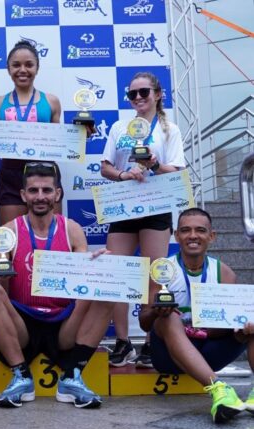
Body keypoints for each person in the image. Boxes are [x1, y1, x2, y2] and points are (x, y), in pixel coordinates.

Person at [0, 161, 113, 408]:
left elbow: (83, 277)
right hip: (22, 326)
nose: (40, 197)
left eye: (47, 190)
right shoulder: (9, 230)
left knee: (108, 288)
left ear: (57, 194)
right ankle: (21, 376)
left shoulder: (72, 229)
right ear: (23, 195)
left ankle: (72, 377)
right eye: (33, 190)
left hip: (63, 324)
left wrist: (98, 265)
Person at [100, 72, 185, 367]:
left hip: (156, 204)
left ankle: (150, 342)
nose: (138, 98)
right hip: (123, 205)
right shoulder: (119, 127)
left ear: (158, 94)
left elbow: (177, 170)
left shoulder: (169, 129)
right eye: (132, 94)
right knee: (118, 275)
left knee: (153, 276)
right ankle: (123, 342)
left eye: (144, 92)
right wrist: (124, 174)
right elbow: (105, 168)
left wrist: (154, 164)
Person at [139, 208, 254, 424]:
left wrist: (241, 328)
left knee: (251, 323)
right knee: (169, 318)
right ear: (176, 236)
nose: (193, 236)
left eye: (200, 230)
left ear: (212, 236)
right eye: (186, 230)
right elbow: (144, 323)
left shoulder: (224, 273)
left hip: (210, 349)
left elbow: (228, 325)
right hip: (168, 355)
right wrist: (156, 310)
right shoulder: (162, 270)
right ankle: (218, 389)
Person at [0, 40, 64, 224]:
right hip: (11, 174)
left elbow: (59, 145)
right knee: (10, 236)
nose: (22, 70)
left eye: (29, 65)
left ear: (37, 68)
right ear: (8, 69)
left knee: (51, 235)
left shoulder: (51, 101)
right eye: (16, 65)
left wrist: (80, 135)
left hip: (45, 173)